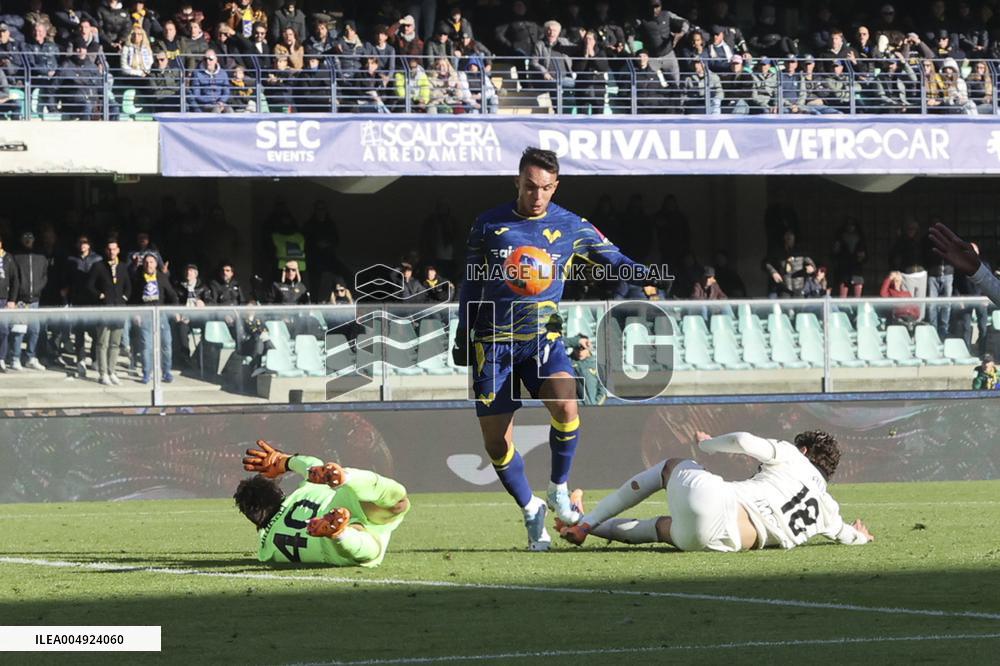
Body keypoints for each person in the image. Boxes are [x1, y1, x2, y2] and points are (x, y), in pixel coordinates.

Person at [452, 147, 650, 551]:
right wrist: (462, 333)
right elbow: (471, 283)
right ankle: (530, 509)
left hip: (545, 337)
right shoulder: (489, 225)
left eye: (544, 188)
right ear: (517, 182)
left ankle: (559, 487)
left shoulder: (572, 225)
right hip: (493, 343)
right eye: (529, 186)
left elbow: (611, 257)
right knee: (496, 443)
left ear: (555, 186)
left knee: (566, 403)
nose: (536, 195)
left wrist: (649, 274)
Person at [559, 430, 874, 553]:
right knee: (660, 530)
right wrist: (862, 535)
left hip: (722, 502)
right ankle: (582, 521)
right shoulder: (828, 510)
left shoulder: (792, 455)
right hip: (722, 542)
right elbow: (848, 535)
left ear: (804, 450)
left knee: (670, 467)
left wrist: (705, 444)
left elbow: (742, 442)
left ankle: (587, 522)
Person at [235, 440, 409, 567]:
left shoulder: (267, 551)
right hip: (336, 505)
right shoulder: (303, 492)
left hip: (326, 545)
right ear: (280, 493)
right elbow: (312, 464)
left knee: (369, 549)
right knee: (398, 503)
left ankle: (340, 534)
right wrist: (283, 461)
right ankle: (347, 478)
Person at [87, 238, 131, 385]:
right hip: (104, 309)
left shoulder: (123, 267)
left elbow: (128, 286)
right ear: (106, 251)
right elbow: (90, 285)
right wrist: (100, 295)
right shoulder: (99, 266)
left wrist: (124, 297)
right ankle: (103, 372)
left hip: (119, 309)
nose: (112, 252)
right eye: (109, 249)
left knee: (115, 343)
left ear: (118, 250)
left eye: (114, 249)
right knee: (102, 342)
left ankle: (112, 371)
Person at [130, 252, 178, 383]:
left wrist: (176, 311)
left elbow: (173, 295)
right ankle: (146, 373)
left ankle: (166, 372)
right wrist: (136, 314)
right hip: (145, 317)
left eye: (151, 262)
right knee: (147, 346)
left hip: (161, 316)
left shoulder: (161, 277)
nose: (148, 265)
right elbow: (133, 298)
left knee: (166, 344)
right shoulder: (138, 278)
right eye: (146, 262)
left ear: (156, 264)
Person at [64, 234, 102, 379]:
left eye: (85, 243)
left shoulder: (97, 259)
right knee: (79, 332)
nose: (82, 245)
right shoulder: (71, 260)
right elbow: (67, 279)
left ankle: (94, 358)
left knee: (95, 332)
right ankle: (80, 359)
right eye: (80, 243)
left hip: (93, 300)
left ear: (89, 245)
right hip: (78, 299)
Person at [9, 231, 47, 371]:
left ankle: (31, 357)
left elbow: (44, 276)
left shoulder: (41, 257)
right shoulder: (16, 257)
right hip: (21, 300)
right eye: (25, 239)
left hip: (35, 300)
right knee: (19, 331)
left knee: (35, 330)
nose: (28, 241)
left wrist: (38, 289)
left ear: (34, 240)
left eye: (30, 239)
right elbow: (14, 278)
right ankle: (15, 358)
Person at [0, 233, 19, 373]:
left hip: (3, 299)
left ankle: (1, 358)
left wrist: (12, 299)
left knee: (4, 330)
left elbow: (15, 281)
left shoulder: (8, 258)